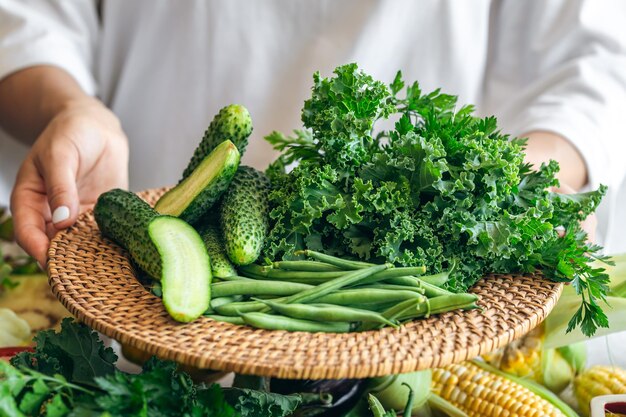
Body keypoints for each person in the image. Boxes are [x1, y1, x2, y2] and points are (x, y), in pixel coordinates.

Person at [0, 0, 625, 269]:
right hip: (137, 244)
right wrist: (70, 109)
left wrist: (517, 179)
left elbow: (594, 60)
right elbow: (30, 18)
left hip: (415, 279)